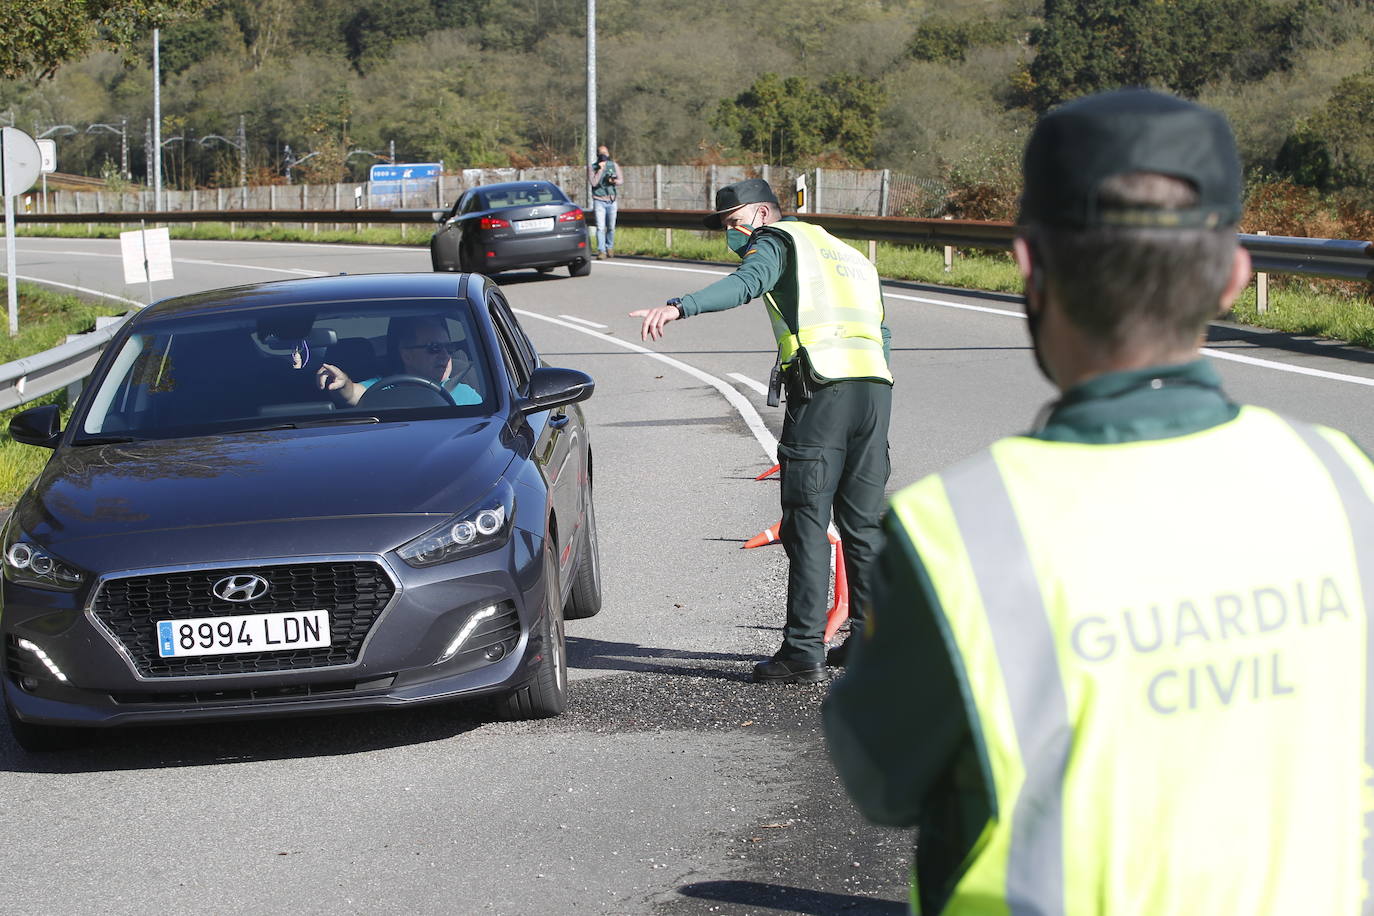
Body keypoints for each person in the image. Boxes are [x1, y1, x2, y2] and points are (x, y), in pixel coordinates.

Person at [824, 87, 1374, 915]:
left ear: (1029, 266)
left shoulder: (960, 532)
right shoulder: (1343, 479)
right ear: (1234, 275)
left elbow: (881, 778)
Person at [631, 178, 893, 684]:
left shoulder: (778, 241)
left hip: (823, 391)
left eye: (734, 224)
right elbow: (882, 329)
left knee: (807, 521)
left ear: (763, 213)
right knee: (862, 527)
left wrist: (678, 305)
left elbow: (746, 282)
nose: (734, 236)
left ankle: (801, 652)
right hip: (875, 391)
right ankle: (868, 641)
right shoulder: (847, 254)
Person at [316, 315, 481, 406]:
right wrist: (342, 383)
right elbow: (351, 393)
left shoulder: (466, 394)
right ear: (407, 355)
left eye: (448, 347)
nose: (445, 355)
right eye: (434, 347)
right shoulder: (382, 388)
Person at [588, 144, 621, 259]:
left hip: (611, 200)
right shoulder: (593, 167)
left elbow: (620, 180)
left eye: (605, 154)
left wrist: (614, 181)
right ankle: (601, 251)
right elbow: (593, 183)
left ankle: (609, 247)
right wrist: (600, 170)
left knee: (611, 226)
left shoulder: (613, 165)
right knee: (600, 227)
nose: (604, 156)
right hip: (599, 200)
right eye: (601, 154)